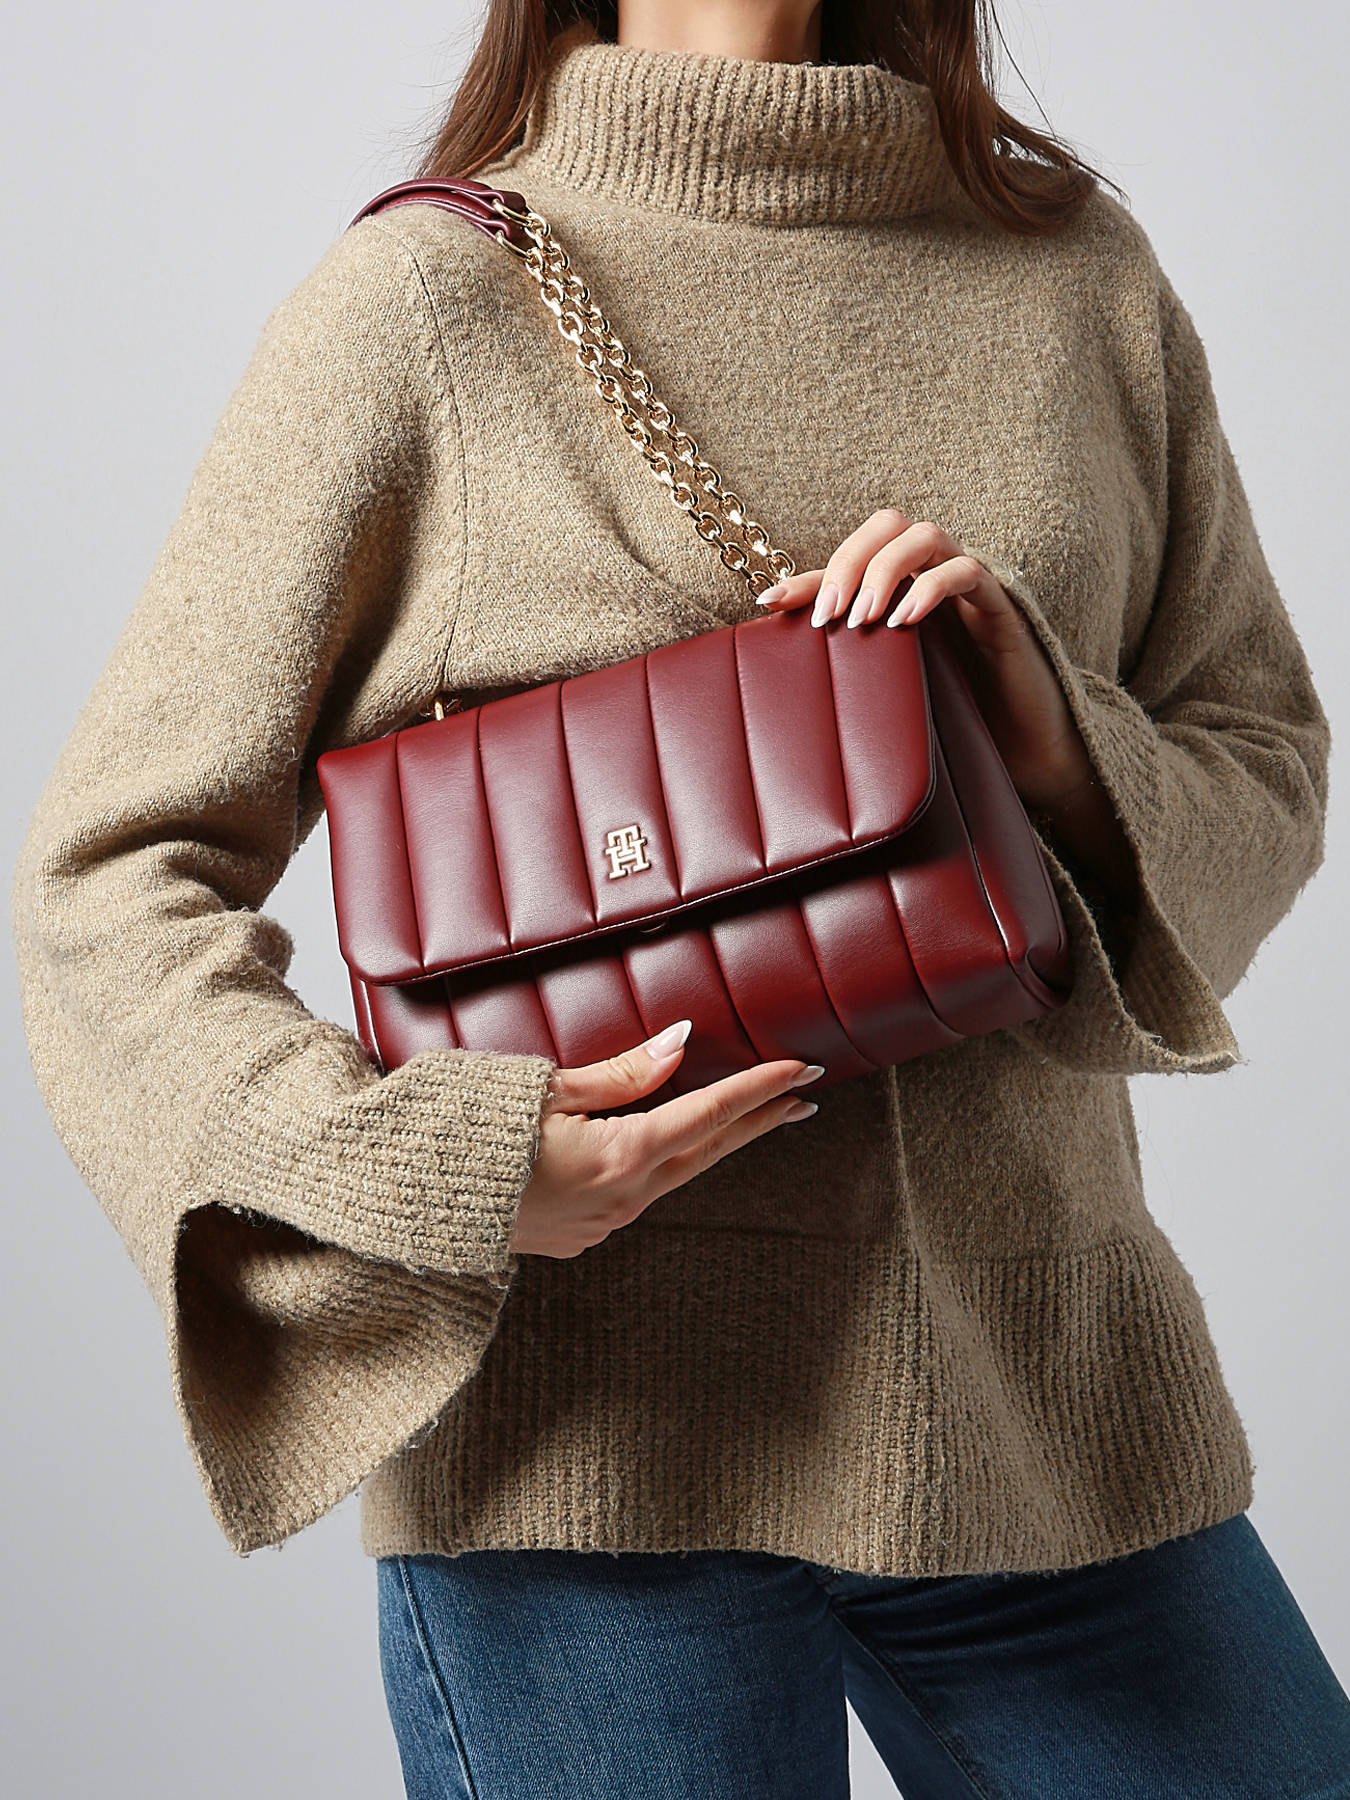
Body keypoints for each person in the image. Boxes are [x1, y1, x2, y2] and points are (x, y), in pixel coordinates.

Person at [11, 0, 1350, 1794]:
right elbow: (110, 877)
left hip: (1048, 1412)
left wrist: (1048, 739)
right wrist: (437, 1173)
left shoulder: (1072, 273)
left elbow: (1262, 754)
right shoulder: (423, 299)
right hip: (589, 1461)